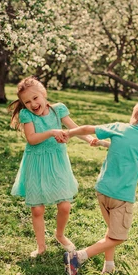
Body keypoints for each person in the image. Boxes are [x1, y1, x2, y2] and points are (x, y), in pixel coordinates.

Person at [63, 97, 138, 275]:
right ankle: (78, 257)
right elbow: (134, 153)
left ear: (134, 117)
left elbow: (87, 130)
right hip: (122, 195)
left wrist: (69, 133)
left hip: (103, 189)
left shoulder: (119, 127)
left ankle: (109, 266)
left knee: (111, 231)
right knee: (118, 237)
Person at [10, 77, 95, 258]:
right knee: (37, 209)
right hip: (37, 162)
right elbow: (31, 139)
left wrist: (89, 139)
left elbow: (74, 128)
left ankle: (60, 234)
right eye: (27, 102)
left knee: (64, 206)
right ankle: (41, 246)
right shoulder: (27, 115)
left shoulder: (58, 110)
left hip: (57, 162)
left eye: (35, 98)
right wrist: (51, 132)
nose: (33, 104)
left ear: (44, 94)